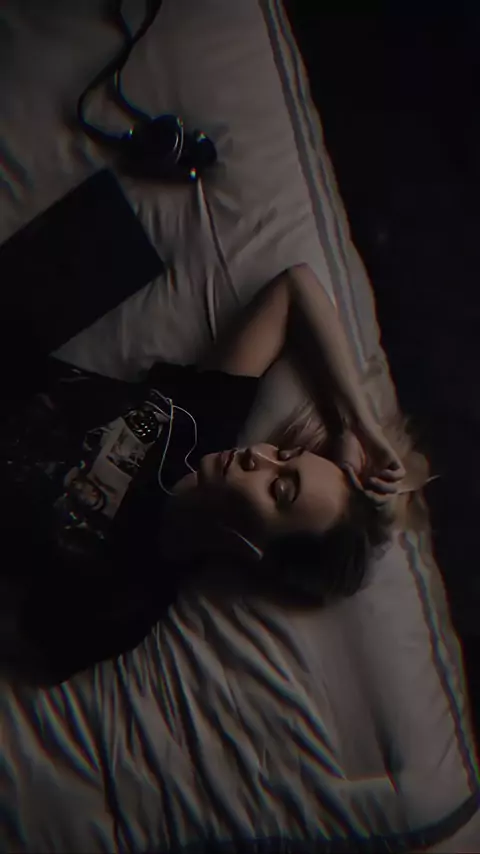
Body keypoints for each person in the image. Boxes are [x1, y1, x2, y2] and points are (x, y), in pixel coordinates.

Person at [1, 263, 411, 684]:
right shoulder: (206, 421)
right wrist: (356, 425)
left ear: (254, 548)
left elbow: (31, 650)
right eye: (284, 454)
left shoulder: (131, 594)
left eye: (279, 488)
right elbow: (296, 287)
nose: (257, 456)